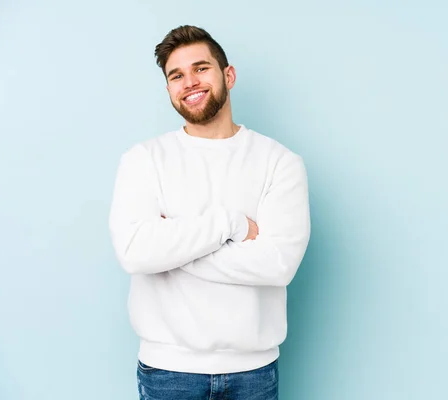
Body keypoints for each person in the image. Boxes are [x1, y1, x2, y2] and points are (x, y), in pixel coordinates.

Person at [108, 25, 311, 400]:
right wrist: (230, 224)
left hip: (253, 372)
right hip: (169, 371)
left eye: (201, 68)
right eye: (176, 75)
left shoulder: (279, 163)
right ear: (168, 88)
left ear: (228, 75)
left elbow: (278, 264)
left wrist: (171, 249)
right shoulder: (144, 160)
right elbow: (135, 252)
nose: (189, 82)